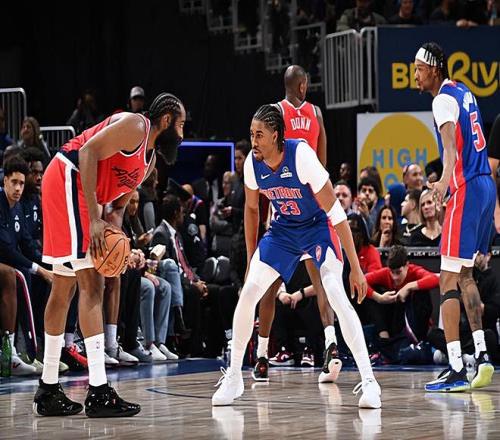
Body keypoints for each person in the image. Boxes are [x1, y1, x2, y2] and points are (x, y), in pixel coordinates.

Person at [212, 105, 381, 409]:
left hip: (318, 228)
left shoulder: (301, 155)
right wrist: (251, 260)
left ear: (276, 135)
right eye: (251, 134)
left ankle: (370, 382)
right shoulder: (253, 163)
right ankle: (234, 376)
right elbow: (251, 210)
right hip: (283, 232)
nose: (253, 141)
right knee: (249, 293)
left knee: (335, 292)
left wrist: (355, 267)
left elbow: (336, 213)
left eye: (259, 135)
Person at [33, 93, 186, 417]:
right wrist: (93, 220)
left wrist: (121, 248)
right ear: (167, 120)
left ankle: (48, 388)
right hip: (68, 175)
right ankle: (99, 390)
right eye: (181, 125)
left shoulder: (149, 162)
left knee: (64, 286)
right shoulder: (136, 126)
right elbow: (87, 151)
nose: (183, 134)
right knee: (92, 285)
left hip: (76, 189)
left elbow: (117, 209)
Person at [414, 42, 495, 391]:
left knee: (446, 279)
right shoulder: (465, 92)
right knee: (464, 275)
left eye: (419, 69)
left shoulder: (442, 100)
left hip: (466, 189)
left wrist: (444, 181)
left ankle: (456, 367)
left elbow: (449, 148)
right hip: (486, 187)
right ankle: (483, 355)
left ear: (434, 69)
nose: (416, 75)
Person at [255, 65, 339, 385]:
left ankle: (262, 355)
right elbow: (323, 163)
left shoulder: (273, 112)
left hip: (284, 206)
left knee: (269, 285)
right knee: (323, 282)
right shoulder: (316, 113)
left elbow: (264, 157)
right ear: (303, 85)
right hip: (312, 205)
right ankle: (331, 344)